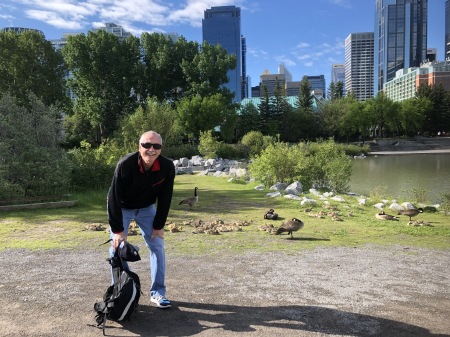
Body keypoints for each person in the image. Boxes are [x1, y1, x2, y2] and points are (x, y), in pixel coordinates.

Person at [107, 130, 175, 309]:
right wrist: (118, 231)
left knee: (157, 246)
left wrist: (159, 225)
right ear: (139, 147)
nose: (151, 149)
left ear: (160, 149)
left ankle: (158, 293)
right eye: (146, 145)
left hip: (146, 208)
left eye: (156, 146)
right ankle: (124, 291)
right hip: (123, 207)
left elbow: (166, 197)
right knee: (117, 248)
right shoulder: (125, 164)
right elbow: (113, 197)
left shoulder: (167, 167)